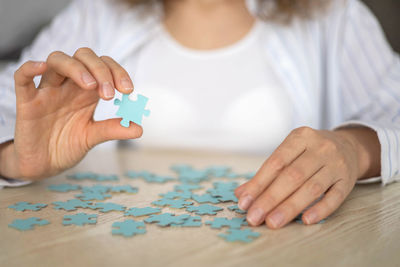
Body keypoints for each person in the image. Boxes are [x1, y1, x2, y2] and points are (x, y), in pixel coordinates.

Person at [0, 0, 399, 229]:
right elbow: (10, 99)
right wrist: (15, 157)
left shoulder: (336, 15)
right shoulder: (96, 13)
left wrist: (354, 147)